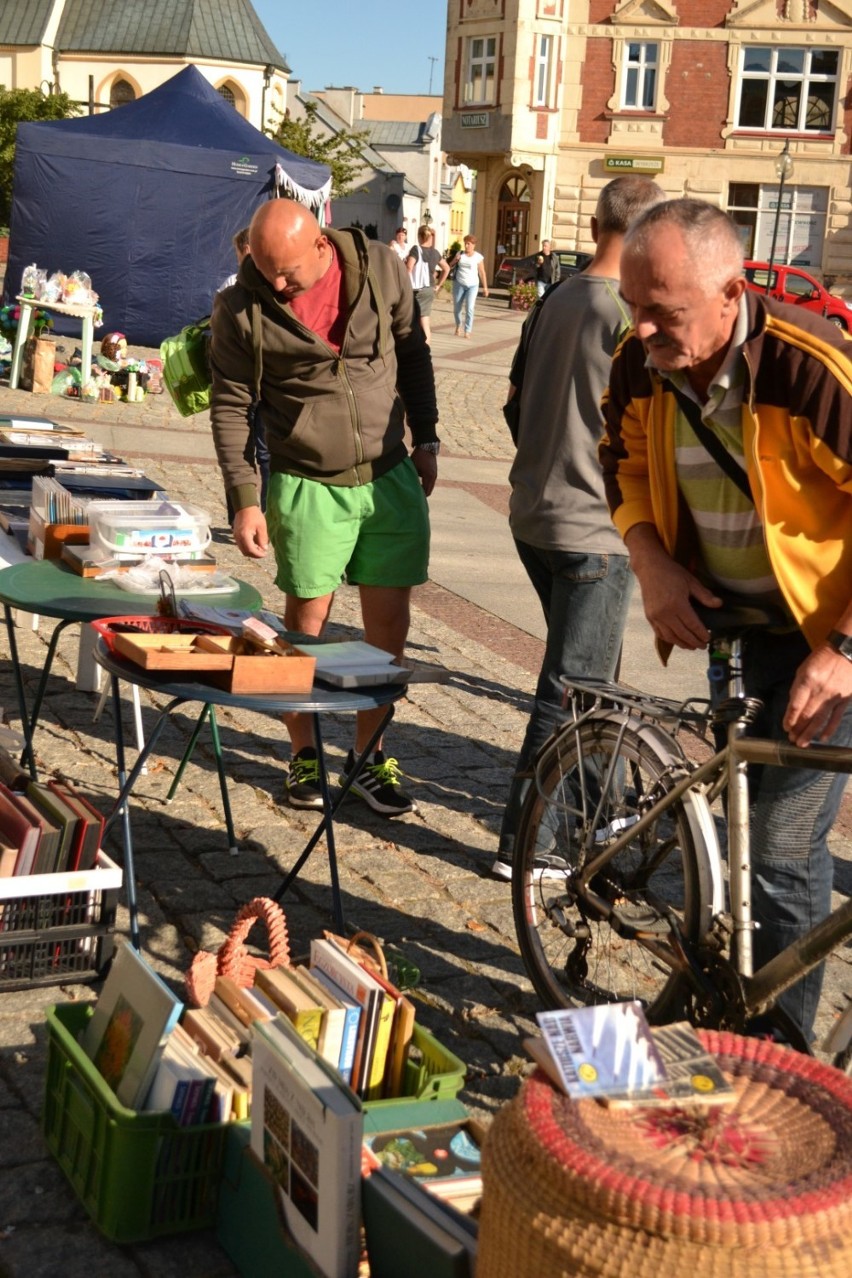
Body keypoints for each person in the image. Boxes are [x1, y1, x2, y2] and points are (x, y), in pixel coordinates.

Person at [599, 197, 852, 1043]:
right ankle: (736, 1000)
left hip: (824, 638)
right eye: (633, 307)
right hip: (721, 624)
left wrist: (844, 647)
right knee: (748, 840)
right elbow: (618, 462)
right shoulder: (640, 363)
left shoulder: (812, 370)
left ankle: (775, 1055)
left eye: (661, 311)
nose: (640, 331)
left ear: (731, 292)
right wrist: (651, 562)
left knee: (781, 851)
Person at [209, 199, 440, 816]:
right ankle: (304, 754)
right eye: (263, 269)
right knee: (304, 632)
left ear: (320, 245)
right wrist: (244, 498)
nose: (275, 284)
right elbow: (231, 404)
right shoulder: (240, 307)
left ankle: (369, 759)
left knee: (388, 634)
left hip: (389, 473)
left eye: (286, 271)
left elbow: (414, 355)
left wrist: (430, 437)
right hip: (308, 480)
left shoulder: (383, 269)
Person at [492, 176, 666, 878]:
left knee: (593, 681)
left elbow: (512, 401)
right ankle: (529, 844)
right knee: (569, 692)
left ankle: (602, 807)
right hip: (594, 525)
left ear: (595, 225)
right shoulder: (625, 314)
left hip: (535, 512)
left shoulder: (558, 295)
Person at [218, 226, 269, 516]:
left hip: (239, 379)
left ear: (245, 250)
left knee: (238, 449)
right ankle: (265, 513)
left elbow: (217, 329)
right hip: (265, 381)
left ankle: (239, 512)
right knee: (265, 453)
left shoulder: (231, 285)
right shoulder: (277, 285)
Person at [407, 224, 450, 344]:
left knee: (414, 318)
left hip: (416, 289)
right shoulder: (435, 252)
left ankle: (418, 345)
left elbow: (409, 267)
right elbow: (446, 268)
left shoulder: (416, 249)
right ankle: (425, 345)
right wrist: (438, 285)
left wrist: (404, 282)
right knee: (424, 319)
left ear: (420, 236)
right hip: (429, 288)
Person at [449, 234, 489, 337]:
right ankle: (458, 325)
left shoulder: (478, 257)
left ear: (474, 245)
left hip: (472, 285)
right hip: (459, 284)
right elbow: (449, 266)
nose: (466, 246)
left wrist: (485, 287)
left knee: (469, 308)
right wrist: (455, 260)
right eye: (465, 243)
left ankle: (467, 330)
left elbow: (482, 272)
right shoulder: (460, 254)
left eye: (469, 244)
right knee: (457, 308)